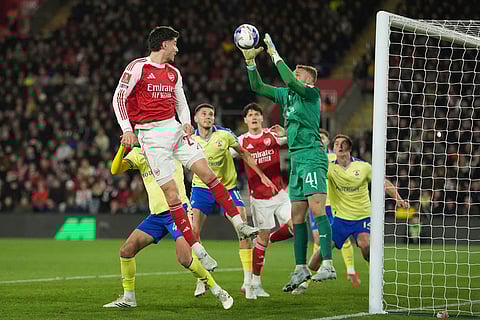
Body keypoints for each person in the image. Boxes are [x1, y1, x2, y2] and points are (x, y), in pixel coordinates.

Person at [111, 26, 259, 260]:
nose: (177, 49)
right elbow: (118, 98)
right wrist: (127, 130)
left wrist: (187, 122)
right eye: (174, 44)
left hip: (174, 129)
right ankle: (197, 249)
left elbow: (181, 102)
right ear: (164, 45)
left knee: (208, 174)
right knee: (173, 196)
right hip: (150, 136)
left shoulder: (174, 73)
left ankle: (240, 224)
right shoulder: (138, 67)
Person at [240, 34, 335, 292]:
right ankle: (300, 267)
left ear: (309, 80)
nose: (294, 73)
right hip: (295, 158)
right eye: (294, 70)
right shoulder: (287, 96)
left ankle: (327, 263)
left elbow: (290, 80)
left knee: (317, 208)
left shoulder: (310, 95)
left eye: (299, 72)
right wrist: (250, 63)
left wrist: (275, 55)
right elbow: (258, 87)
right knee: (297, 215)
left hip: (312, 155)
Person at [103, 144, 233, 310]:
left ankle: (219, 291)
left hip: (179, 210)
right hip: (157, 215)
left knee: (185, 259)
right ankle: (129, 298)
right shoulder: (138, 153)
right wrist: (122, 146)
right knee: (126, 251)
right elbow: (115, 169)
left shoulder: (169, 144)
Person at [189, 103, 278, 300]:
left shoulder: (225, 135)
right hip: (202, 188)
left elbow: (244, 153)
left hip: (228, 187)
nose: (208, 117)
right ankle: (201, 279)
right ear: (195, 118)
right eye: (203, 114)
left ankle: (248, 283)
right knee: (194, 231)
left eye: (211, 114)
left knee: (243, 228)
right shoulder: (189, 139)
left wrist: (261, 175)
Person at [308, 134, 408, 280]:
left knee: (364, 243)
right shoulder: (329, 168)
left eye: (343, 143)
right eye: (337, 144)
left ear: (349, 147)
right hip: (340, 219)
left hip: (362, 217)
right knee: (314, 263)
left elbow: (383, 182)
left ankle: (375, 270)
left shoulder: (363, 167)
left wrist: (398, 198)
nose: (340, 146)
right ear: (333, 149)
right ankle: (322, 272)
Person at [236, 103, 294, 297]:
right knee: (262, 240)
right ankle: (256, 283)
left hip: (280, 194)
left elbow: (293, 139)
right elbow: (223, 153)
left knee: (295, 227)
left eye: (256, 114)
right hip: (259, 199)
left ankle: (268, 239)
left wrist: (285, 131)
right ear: (245, 120)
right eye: (249, 115)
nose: (253, 117)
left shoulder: (272, 136)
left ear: (262, 118)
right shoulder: (241, 141)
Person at [293, 129, 359, 295]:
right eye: (318, 138)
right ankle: (310, 277)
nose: (320, 140)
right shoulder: (312, 158)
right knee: (317, 239)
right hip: (316, 204)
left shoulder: (334, 157)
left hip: (333, 205)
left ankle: (349, 269)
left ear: (327, 141)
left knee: (339, 240)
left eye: (323, 138)